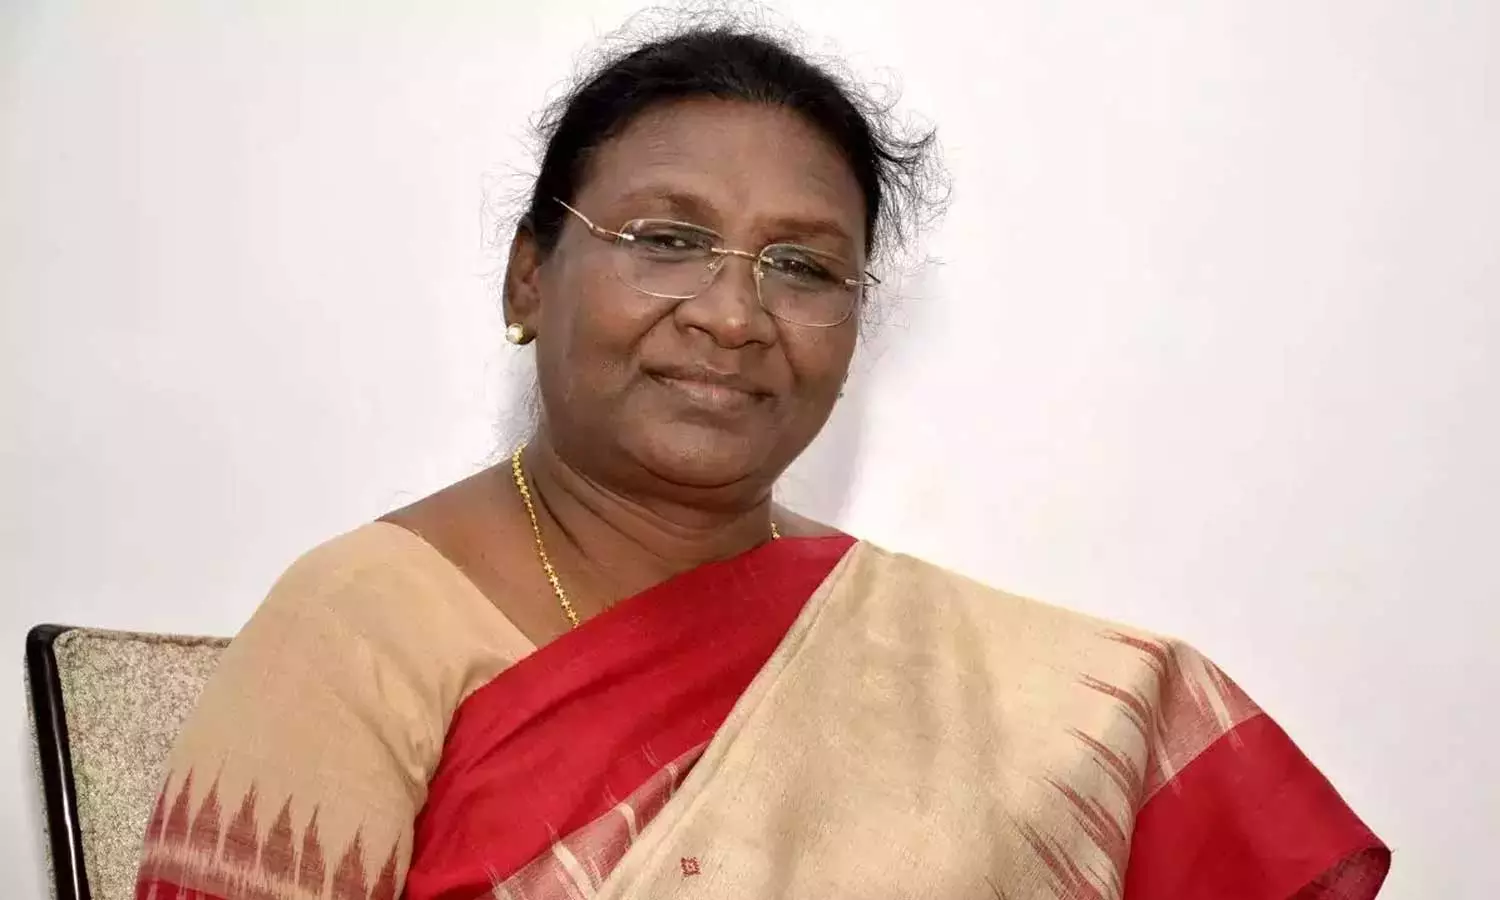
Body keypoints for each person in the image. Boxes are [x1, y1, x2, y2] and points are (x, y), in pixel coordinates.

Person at [133, 24, 1389, 900]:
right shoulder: (361, 621)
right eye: (666, 240)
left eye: (802, 266)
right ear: (528, 278)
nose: (734, 316)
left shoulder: (980, 678)